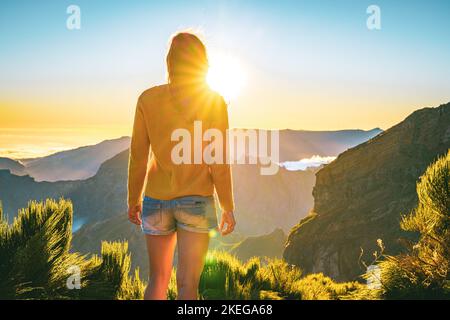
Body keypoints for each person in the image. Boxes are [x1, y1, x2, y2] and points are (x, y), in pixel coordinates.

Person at [127, 32, 236, 300]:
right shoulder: (214, 101)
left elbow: (138, 156)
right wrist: (228, 207)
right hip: (197, 201)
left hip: (156, 201)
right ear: (202, 63)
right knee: (188, 285)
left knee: (157, 280)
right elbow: (218, 162)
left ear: (170, 62)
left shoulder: (148, 99)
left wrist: (133, 199)